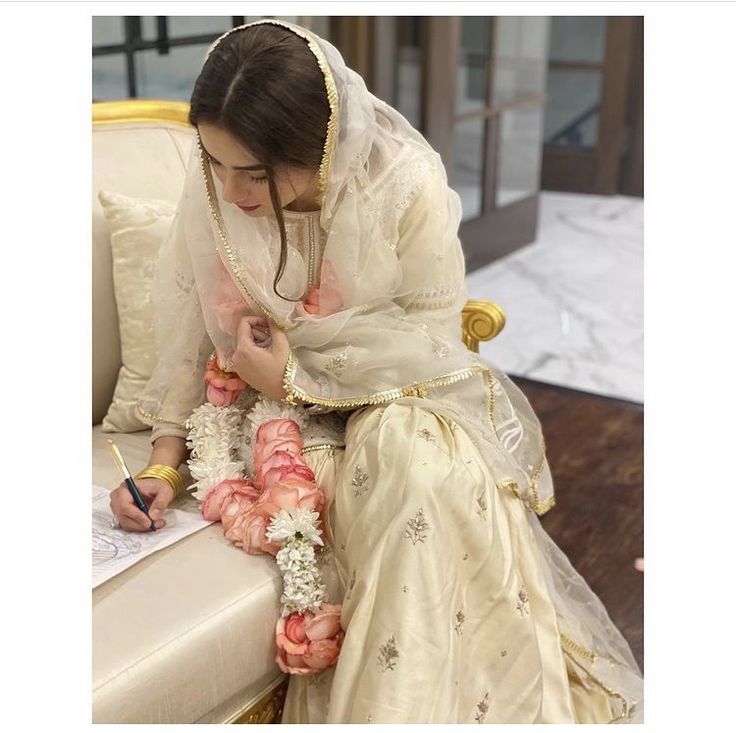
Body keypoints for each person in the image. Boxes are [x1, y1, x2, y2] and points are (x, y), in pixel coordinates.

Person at [108, 19, 644, 723]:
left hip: (399, 398)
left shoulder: (403, 186)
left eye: (258, 174)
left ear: (321, 150)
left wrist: (294, 375)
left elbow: (430, 350)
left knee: (424, 466)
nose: (231, 192)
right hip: (264, 424)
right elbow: (185, 335)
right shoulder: (211, 193)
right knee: (412, 475)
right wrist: (163, 466)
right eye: (213, 162)